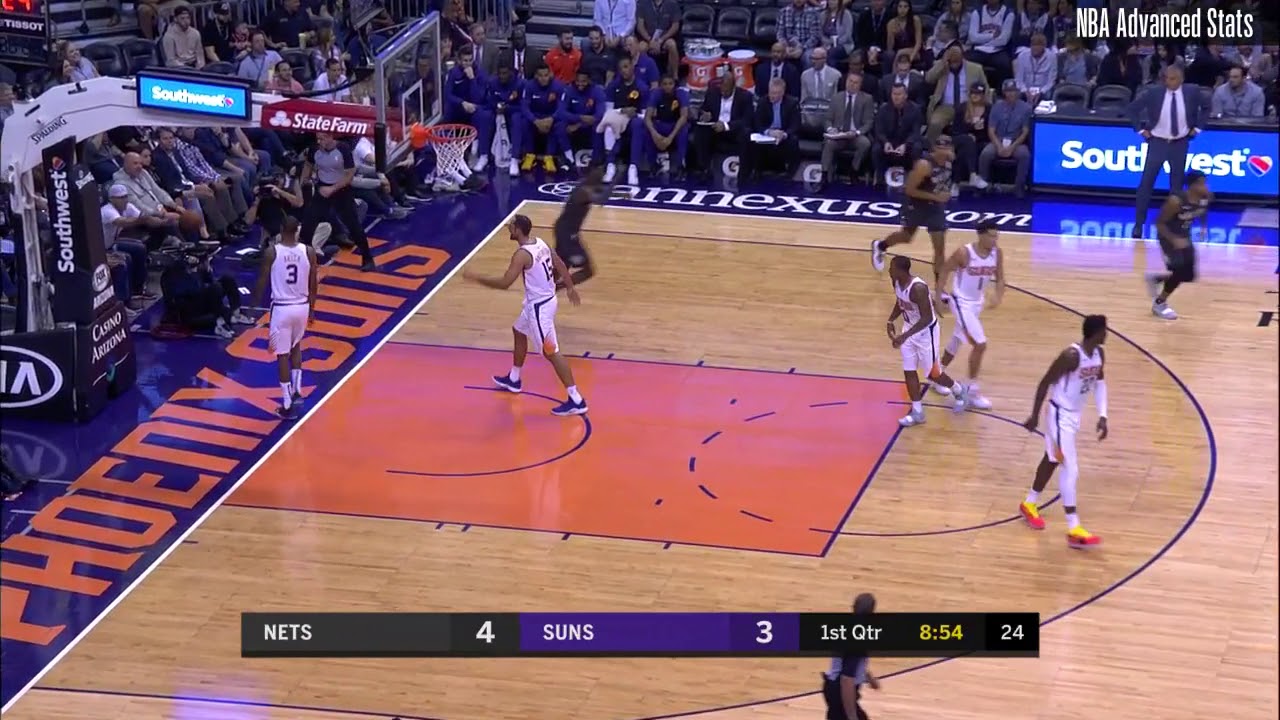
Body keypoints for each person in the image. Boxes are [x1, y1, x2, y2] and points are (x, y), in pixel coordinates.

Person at [463, 214, 589, 417]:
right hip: (541, 302)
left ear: (519, 230)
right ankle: (514, 378)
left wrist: (477, 279)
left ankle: (576, 399)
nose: (508, 228)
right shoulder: (540, 242)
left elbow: (505, 283)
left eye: (511, 226)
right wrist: (570, 287)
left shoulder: (521, 255)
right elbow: (559, 264)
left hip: (540, 308)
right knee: (518, 329)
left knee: (552, 352)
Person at [1019, 314, 1108, 548]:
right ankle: (1074, 527)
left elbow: (1099, 383)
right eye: (1104, 330)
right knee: (1070, 466)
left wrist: (1103, 415)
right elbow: (1044, 382)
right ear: (1096, 333)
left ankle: (1029, 503)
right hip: (1059, 415)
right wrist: (1035, 415)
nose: (1107, 334)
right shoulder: (1070, 356)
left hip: (1073, 416)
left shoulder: (1099, 354)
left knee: (1052, 459)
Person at [886, 255, 964, 428]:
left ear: (901, 270)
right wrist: (890, 321)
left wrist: (904, 336)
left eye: (892, 268)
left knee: (932, 374)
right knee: (909, 370)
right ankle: (917, 411)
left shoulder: (918, 288)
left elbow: (927, 318)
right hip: (909, 329)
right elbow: (901, 302)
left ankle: (959, 390)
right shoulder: (897, 282)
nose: (889, 270)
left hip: (926, 331)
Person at [251, 216, 317, 419]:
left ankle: (287, 404)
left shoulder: (272, 251)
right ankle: (298, 389)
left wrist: (253, 306)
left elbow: (262, 281)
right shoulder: (309, 251)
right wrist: (312, 309)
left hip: (282, 308)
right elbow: (313, 282)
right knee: (296, 346)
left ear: (281, 229)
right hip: (302, 306)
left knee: (282, 354)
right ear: (298, 229)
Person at [1127, 64, 1202, 238]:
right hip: (1158, 143)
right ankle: (1138, 225)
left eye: (1172, 78)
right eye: (1166, 78)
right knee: (1146, 184)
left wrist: (1198, 128)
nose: (1168, 82)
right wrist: (1140, 130)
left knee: (1176, 187)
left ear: (1181, 79)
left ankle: (1176, 224)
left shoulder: (1192, 92)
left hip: (1180, 143)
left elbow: (1207, 107)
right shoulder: (1154, 93)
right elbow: (1131, 109)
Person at [934, 220, 1003, 409]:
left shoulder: (997, 253)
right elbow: (944, 270)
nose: (994, 239)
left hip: (977, 304)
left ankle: (936, 374)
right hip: (961, 302)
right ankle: (971, 389)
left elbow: (1001, 278)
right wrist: (939, 297)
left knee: (957, 340)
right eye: (991, 235)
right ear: (980, 235)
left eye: (996, 235)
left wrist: (998, 295)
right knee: (980, 344)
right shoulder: (964, 253)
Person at [870, 135, 954, 287]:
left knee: (940, 247)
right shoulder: (924, 165)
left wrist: (943, 193)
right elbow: (909, 190)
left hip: (935, 206)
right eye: (940, 148)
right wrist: (936, 196)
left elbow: (942, 180)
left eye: (946, 148)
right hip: (915, 203)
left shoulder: (950, 161)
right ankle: (880, 246)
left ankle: (940, 290)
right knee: (906, 237)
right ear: (934, 148)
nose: (943, 151)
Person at [299, 131, 375, 272]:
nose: (319, 142)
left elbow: (350, 174)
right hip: (322, 188)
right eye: (318, 139)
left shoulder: (343, 149)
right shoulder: (314, 149)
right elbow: (308, 164)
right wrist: (304, 180)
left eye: (322, 139)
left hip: (341, 190)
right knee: (308, 224)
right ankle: (305, 260)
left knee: (354, 225)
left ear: (330, 137)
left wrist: (332, 189)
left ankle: (368, 258)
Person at [1145, 171, 1210, 320]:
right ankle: (1159, 304)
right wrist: (1173, 239)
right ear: (1192, 186)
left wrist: (1203, 227)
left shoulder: (1205, 197)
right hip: (1168, 237)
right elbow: (1159, 223)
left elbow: (1203, 211)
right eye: (1201, 183)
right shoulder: (1176, 201)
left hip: (1184, 237)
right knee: (1179, 270)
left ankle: (1156, 279)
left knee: (1190, 275)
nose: (1205, 186)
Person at [822, 592, 881, 720]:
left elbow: (849, 663)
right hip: (840, 691)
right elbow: (846, 680)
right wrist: (852, 716)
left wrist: (869, 678)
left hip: (833, 688)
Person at [553, 166, 607, 287]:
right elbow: (601, 198)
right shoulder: (582, 192)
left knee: (563, 264)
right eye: (598, 174)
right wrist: (618, 177)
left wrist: (622, 193)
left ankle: (544, 289)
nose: (601, 176)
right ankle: (554, 289)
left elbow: (601, 192)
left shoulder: (588, 186)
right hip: (567, 234)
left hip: (565, 230)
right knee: (588, 271)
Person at [600, 56, 647, 184]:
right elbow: (608, 112)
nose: (624, 71)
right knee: (609, 125)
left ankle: (633, 168)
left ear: (632, 67)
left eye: (626, 67)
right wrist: (622, 111)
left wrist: (634, 114)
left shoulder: (641, 87)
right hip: (616, 120)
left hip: (634, 121)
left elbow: (645, 115)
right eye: (621, 68)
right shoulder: (613, 86)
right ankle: (610, 166)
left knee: (638, 124)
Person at [445, 45, 494, 170]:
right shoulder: (453, 73)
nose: (468, 63)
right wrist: (462, 103)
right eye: (465, 61)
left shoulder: (481, 74)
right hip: (459, 108)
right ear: (459, 61)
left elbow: (479, 98)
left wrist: (472, 79)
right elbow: (448, 95)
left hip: (474, 109)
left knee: (480, 113)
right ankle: (450, 154)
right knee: (449, 109)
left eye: (470, 60)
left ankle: (477, 149)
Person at [519, 65, 566, 174]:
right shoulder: (529, 86)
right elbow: (524, 107)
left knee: (559, 123)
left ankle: (549, 157)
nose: (543, 78)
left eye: (546, 75)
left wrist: (551, 119)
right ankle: (529, 155)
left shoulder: (558, 86)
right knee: (524, 122)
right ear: (536, 76)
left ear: (550, 74)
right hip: (535, 117)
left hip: (551, 117)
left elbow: (562, 107)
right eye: (540, 76)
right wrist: (535, 120)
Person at [557, 69, 607, 170]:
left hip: (589, 124)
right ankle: (569, 157)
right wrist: (579, 118)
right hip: (574, 120)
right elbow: (561, 112)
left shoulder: (597, 91)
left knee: (599, 125)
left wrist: (579, 124)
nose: (580, 84)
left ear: (589, 81)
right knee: (559, 126)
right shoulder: (568, 90)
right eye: (578, 81)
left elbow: (600, 114)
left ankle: (596, 159)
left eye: (583, 81)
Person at [643, 75, 690, 178]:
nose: (668, 86)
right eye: (665, 84)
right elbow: (647, 117)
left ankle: (680, 166)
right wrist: (655, 134)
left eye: (670, 84)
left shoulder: (682, 94)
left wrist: (670, 138)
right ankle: (653, 165)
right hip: (661, 124)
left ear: (675, 85)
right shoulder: (656, 93)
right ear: (660, 85)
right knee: (647, 129)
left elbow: (684, 117)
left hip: (675, 125)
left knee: (684, 129)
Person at [486, 61, 526, 177]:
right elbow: (489, 102)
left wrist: (507, 108)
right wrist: (496, 107)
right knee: (485, 115)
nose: (502, 76)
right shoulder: (492, 82)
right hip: (498, 113)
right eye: (500, 74)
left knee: (517, 118)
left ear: (511, 73)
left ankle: (514, 160)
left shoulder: (520, 84)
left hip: (514, 113)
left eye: (505, 73)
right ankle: (484, 155)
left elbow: (523, 107)